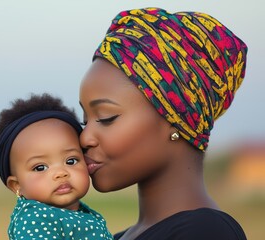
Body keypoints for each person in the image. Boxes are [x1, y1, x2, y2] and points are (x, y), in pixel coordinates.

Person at [78, 7, 248, 240]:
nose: (85, 137)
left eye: (106, 117)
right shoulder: (118, 237)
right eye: (85, 120)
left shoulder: (204, 232)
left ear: (177, 119)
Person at [0, 93, 113, 239]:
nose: (61, 173)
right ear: (16, 185)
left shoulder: (80, 213)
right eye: (40, 168)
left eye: (71, 161)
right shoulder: (35, 219)